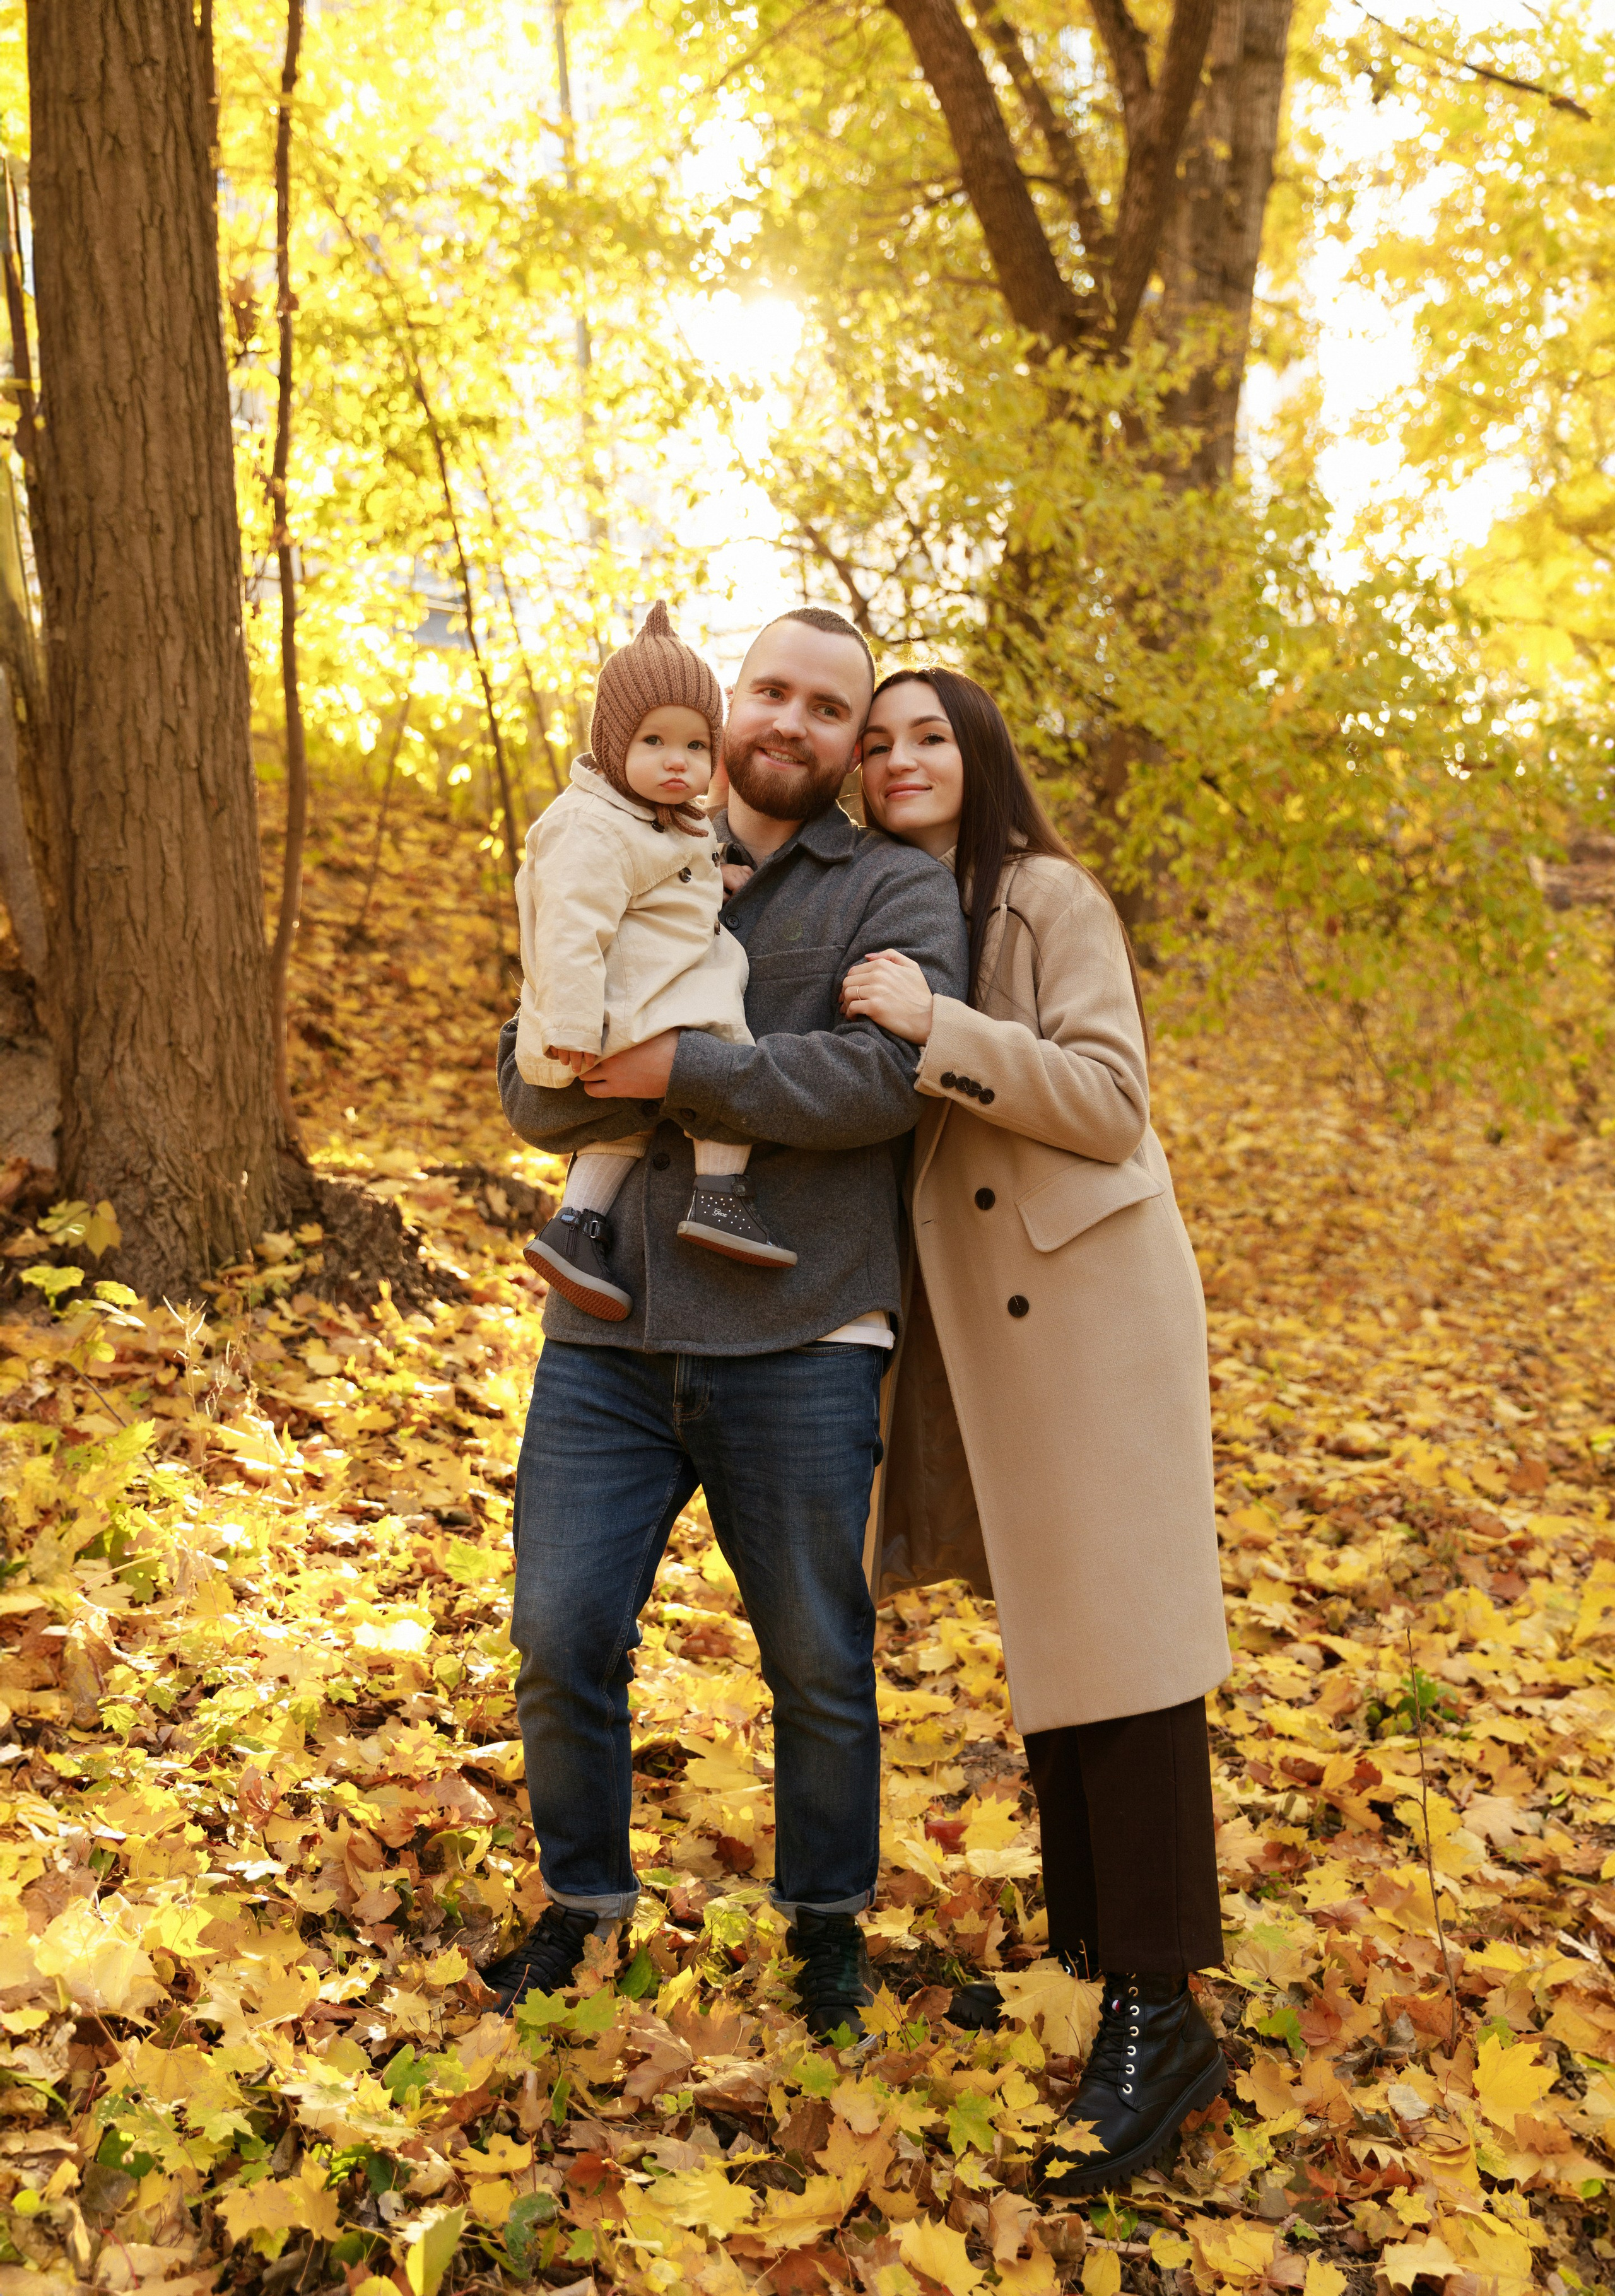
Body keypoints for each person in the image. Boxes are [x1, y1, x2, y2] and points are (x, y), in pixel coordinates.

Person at [485, 607, 969, 2039]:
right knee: (559, 1633)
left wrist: (669, 1061)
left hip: (805, 1336)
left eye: (830, 710)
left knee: (817, 1658)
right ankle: (582, 1905)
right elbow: (529, 1086)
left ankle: (824, 1931)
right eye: (770, 691)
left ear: (849, 743)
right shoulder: (613, 843)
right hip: (610, 1335)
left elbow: (878, 1089)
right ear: (722, 698)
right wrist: (700, 1072)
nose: (790, 724)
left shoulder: (890, 891)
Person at [843, 665, 1232, 2191]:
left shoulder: (1042, 895)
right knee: (1068, 1655)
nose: (896, 757)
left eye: (926, 733)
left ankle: (1159, 2013)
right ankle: (1099, 1959)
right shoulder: (888, 901)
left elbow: (1109, 1097)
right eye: (875, 743)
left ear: (977, 753)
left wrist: (934, 1022)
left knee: (1123, 1656)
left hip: (1087, 1312)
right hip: (987, 1325)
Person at [515, 600, 794, 1318]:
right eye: (654, 741)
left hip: (624, 1008)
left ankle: (576, 1226)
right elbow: (571, 931)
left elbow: (671, 869)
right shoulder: (591, 828)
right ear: (613, 745)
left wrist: (718, 876)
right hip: (606, 1016)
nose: (678, 761)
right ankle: (719, 1196)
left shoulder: (654, 818)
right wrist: (574, 1025)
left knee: (626, 1123)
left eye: (698, 747)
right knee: (724, 1058)